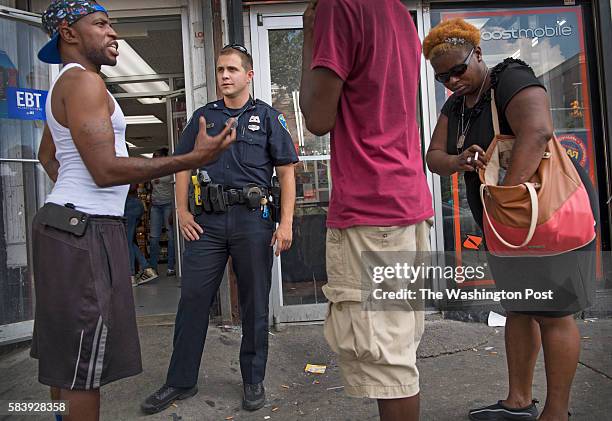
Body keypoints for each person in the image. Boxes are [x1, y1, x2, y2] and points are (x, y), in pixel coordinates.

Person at [33, 1, 236, 420]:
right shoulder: (85, 84)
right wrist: (190, 159)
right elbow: (106, 169)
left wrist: (75, 196)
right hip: (81, 230)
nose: (114, 34)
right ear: (69, 33)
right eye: (102, 25)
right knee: (82, 367)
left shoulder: (69, 84)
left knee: (70, 356)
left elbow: (47, 156)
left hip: (70, 223)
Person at [424, 18, 598, 421]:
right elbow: (433, 157)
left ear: (478, 55)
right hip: (506, 224)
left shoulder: (511, 77)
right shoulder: (456, 106)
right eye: (441, 76)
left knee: (554, 313)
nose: (451, 81)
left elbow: (537, 132)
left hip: (547, 217)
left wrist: (506, 200)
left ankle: (557, 412)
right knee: (519, 308)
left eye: (458, 69)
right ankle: (519, 402)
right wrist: (459, 159)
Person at [141, 44, 298, 415]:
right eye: (219, 69)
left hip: (252, 221)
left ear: (249, 75)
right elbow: (181, 165)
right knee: (193, 300)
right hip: (207, 223)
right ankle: (180, 381)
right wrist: (181, 210)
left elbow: (287, 170)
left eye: (231, 69)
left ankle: (252, 379)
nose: (224, 76)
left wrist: (286, 222)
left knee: (255, 302)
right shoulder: (203, 117)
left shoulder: (268, 117)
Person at [300, 1, 434, 420]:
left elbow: (317, 118)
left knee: (387, 361)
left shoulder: (340, 7)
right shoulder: (397, 12)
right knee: (397, 348)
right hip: (405, 200)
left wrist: (309, 32)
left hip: (371, 208)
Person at [146, 147, 177, 279]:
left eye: (157, 156)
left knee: (171, 237)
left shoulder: (170, 170)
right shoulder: (153, 171)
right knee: (154, 239)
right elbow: (151, 189)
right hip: (156, 207)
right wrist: (150, 206)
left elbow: (175, 189)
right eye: (154, 156)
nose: (155, 158)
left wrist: (173, 211)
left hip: (168, 205)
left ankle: (170, 267)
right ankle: (153, 268)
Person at [124, 183, 157, 286]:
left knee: (127, 242)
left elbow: (132, 187)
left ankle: (132, 275)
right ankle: (147, 269)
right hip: (135, 205)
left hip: (128, 206)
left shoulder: (124, 172)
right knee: (130, 240)